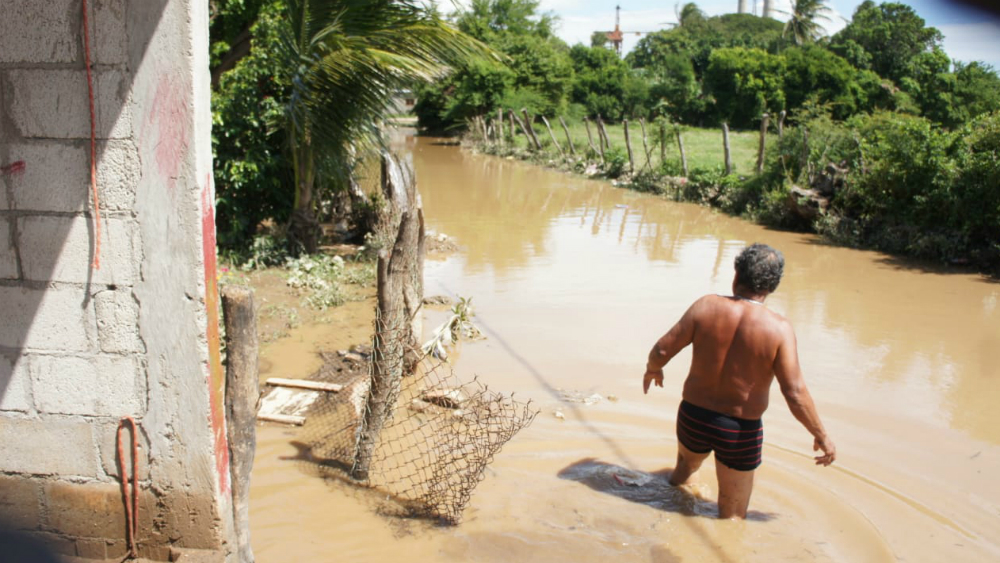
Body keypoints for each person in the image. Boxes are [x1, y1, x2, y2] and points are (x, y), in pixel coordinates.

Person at [642, 243, 835, 519]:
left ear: (736, 275)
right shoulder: (779, 329)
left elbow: (662, 350)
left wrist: (653, 369)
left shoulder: (705, 306)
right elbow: (794, 392)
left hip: (693, 416)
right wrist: (821, 435)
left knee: (682, 478)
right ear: (771, 287)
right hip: (739, 431)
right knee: (731, 516)